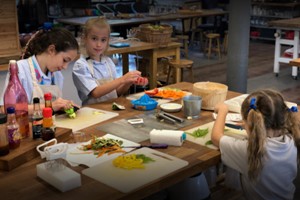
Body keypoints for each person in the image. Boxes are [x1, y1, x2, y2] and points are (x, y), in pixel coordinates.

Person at [212, 89, 300, 200]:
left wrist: (223, 110)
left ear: (250, 123)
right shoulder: (292, 139)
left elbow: (216, 137)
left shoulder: (250, 150)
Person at [0, 27, 79, 114]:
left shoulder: (57, 76)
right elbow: (6, 108)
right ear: (51, 50)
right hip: (25, 125)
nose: (65, 67)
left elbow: (54, 108)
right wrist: (50, 106)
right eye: (65, 60)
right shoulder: (20, 70)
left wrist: (63, 106)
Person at [72, 17, 147, 105]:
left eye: (103, 40)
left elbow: (117, 92)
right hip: (92, 112)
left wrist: (128, 82)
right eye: (94, 39)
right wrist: (122, 79)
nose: (99, 44)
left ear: (107, 41)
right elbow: (95, 93)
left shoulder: (108, 62)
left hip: (111, 108)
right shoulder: (81, 65)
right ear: (84, 38)